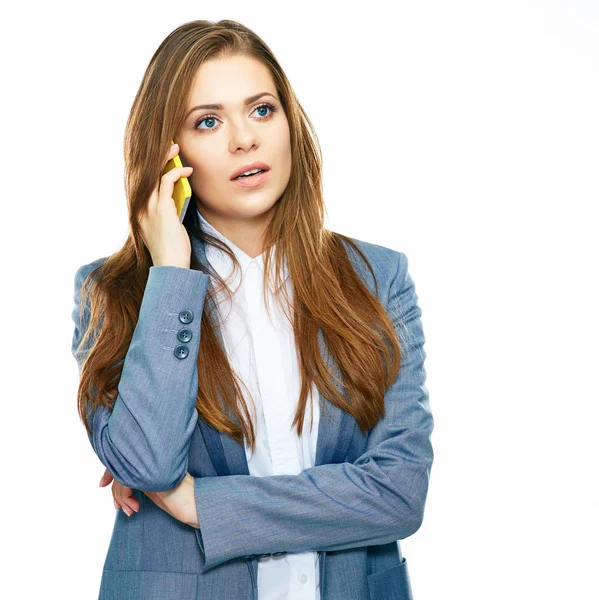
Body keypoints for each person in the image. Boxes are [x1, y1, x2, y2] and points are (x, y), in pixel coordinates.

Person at [71, 18, 434, 600]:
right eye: (208, 122)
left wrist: (202, 504)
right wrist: (170, 274)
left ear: (291, 125)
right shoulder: (114, 292)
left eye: (262, 110)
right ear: (169, 153)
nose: (244, 139)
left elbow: (399, 493)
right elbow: (147, 464)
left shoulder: (377, 279)